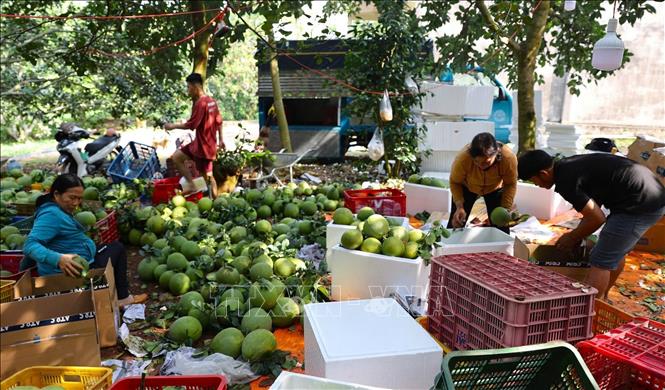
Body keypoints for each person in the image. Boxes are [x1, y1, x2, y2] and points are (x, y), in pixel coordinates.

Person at [517, 150, 665, 300]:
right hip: (647, 195)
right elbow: (591, 211)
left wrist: (572, 237)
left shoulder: (566, 181)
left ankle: (590, 310)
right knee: (613, 251)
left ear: (543, 174)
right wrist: (580, 236)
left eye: (533, 180)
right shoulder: (568, 165)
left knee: (600, 260)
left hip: (642, 204)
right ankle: (603, 300)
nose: (536, 184)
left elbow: (597, 218)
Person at [22, 174, 146, 307]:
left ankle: (114, 292)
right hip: (71, 273)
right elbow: (30, 245)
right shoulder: (51, 215)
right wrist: (59, 259)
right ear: (57, 194)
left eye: (79, 199)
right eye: (72, 198)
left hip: (78, 265)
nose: (76, 203)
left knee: (110, 247)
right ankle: (123, 298)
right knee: (117, 248)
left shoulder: (58, 209)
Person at [164, 73, 223, 197]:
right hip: (199, 144)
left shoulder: (201, 103)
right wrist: (221, 140)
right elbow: (219, 121)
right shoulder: (212, 101)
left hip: (205, 147)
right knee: (177, 157)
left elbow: (191, 125)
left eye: (188, 87)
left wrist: (172, 126)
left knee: (208, 176)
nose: (188, 91)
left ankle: (216, 202)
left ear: (195, 86)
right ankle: (191, 184)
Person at [447, 132, 518, 233]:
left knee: (501, 227)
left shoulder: (508, 158)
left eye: (486, 162)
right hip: (466, 187)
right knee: (456, 223)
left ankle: (499, 248)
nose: (481, 166)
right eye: (476, 162)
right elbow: (454, 181)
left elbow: (510, 183)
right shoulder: (463, 158)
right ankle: (451, 247)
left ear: (497, 153)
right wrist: (459, 206)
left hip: (495, 188)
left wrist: (505, 207)